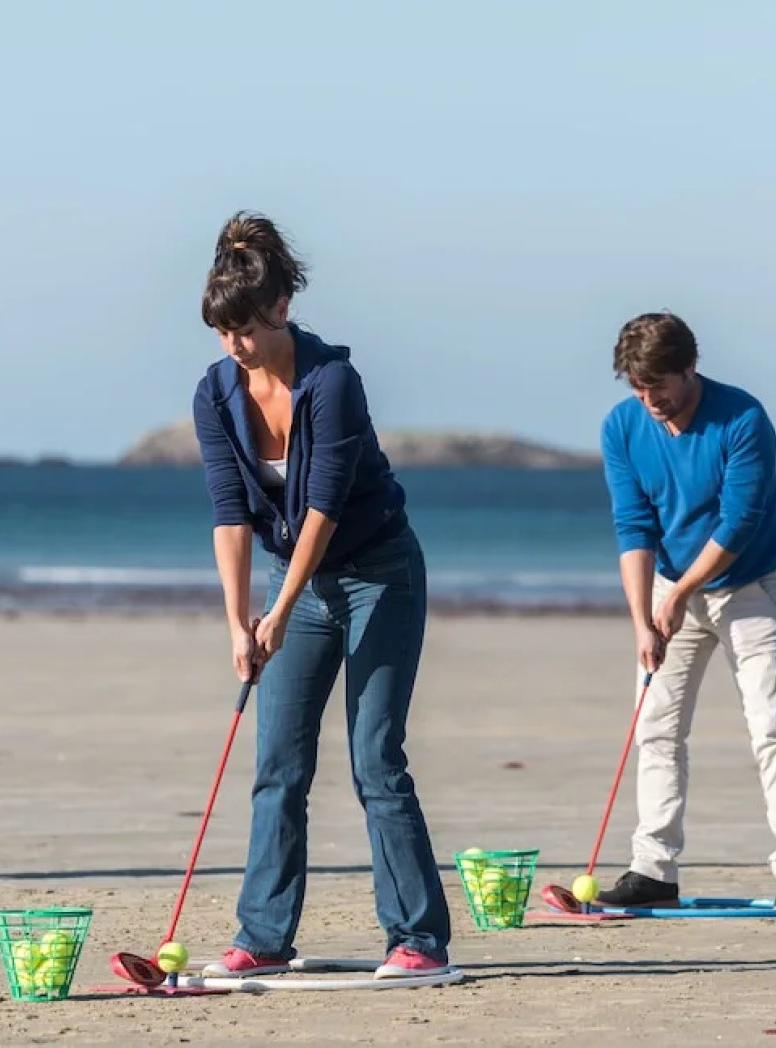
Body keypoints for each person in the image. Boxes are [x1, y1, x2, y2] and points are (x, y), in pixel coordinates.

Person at [188, 211, 453, 979]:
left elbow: (323, 511)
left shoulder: (332, 382)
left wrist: (277, 607)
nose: (234, 346)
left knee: (376, 759)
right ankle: (264, 935)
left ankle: (417, 941)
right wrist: (241, 623)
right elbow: (229, 513)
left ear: (278, 309)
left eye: (244, 328)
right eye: (220, 332)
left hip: (379, 575)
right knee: (278, 764)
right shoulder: (215, 393)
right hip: (292, 588)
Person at [596, 311, 776, 910]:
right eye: (639, 389)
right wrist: (644, 619)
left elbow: (738, 523)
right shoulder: (622, 426)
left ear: (689, 368)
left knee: (773, 727)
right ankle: (654, 870)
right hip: (672, 589)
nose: (650, 401)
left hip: (750, 584)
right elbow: (632, 526)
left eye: (660, 386)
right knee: (657, 728)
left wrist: (679, 594)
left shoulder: (742, 418)